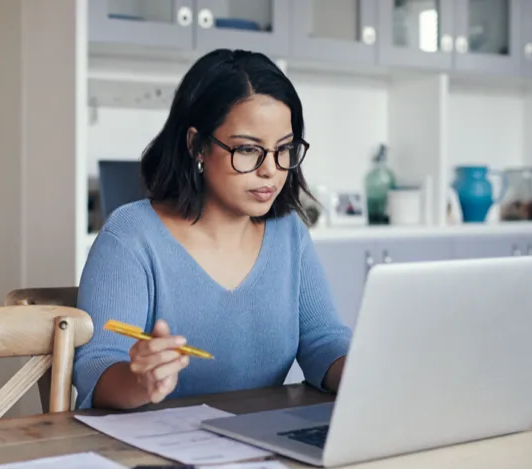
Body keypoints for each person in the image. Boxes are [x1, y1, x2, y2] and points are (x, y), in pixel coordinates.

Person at [73, 49, 352, 410]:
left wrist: (368, 373)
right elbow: (97, 368)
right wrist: (139, 380)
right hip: (152, 455)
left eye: (284, 149)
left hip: (259, 445)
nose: (270, 169)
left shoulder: (289, 233)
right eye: (249, 150)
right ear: (197, 145)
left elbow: (323, 340)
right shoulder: (131, 235)